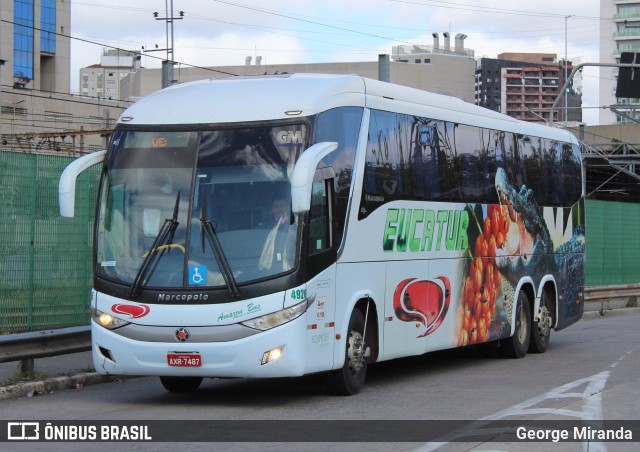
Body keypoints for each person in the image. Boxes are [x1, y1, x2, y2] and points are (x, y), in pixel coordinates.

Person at [258, 197, 296, 271]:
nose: (279, 209)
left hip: (287, 266)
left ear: (288, 208)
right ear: (272, 209)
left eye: (282, 206)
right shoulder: (265, 225)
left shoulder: (293, 223)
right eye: (276, 206)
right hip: (270, 264)